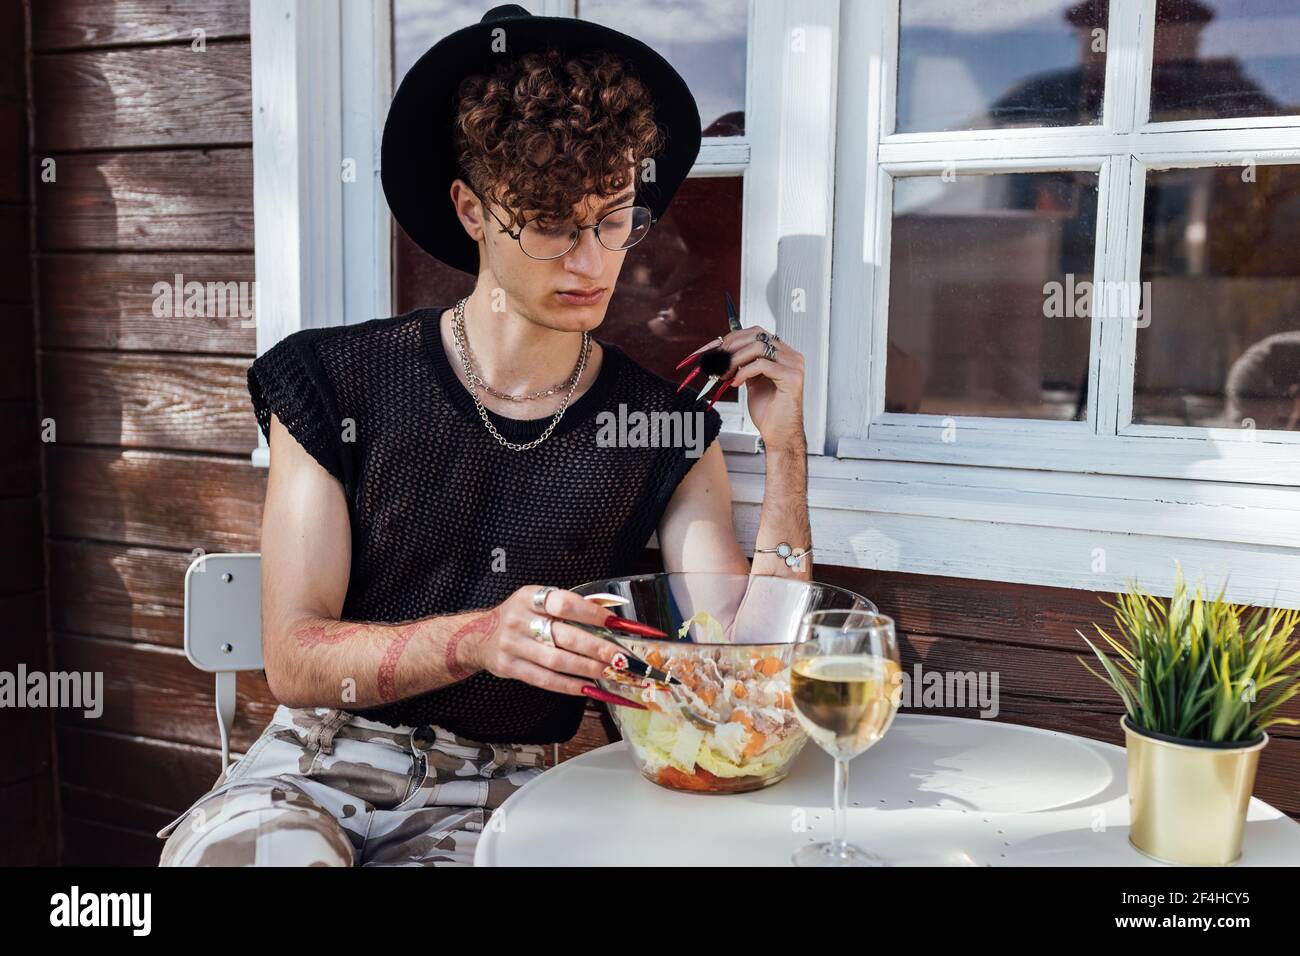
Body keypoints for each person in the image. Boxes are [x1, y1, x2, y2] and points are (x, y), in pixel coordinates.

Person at [157, 3, 812, 867]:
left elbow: (739, 658)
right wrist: (478, 638)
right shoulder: (332, 380)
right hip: (312, 768)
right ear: (471, 208)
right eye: (549, 225)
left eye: (613, 219)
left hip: (507, 796)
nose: (590, 261)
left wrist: (786, 448)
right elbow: (295, 655)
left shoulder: (664, 430)